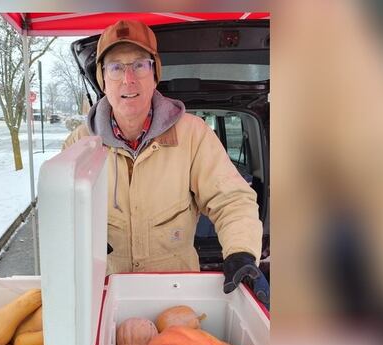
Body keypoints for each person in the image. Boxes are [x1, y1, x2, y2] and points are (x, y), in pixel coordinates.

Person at [62, 19, 269, 306]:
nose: (128, 79)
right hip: (108, 295)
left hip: (177, 294)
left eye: (139, 65)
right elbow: (63, 214)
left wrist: (241, 250)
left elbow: (231, 199)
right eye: (116, 67)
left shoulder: (193, 135)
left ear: (155, 73)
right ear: (102, 78)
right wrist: (84, 237)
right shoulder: (80, 145)